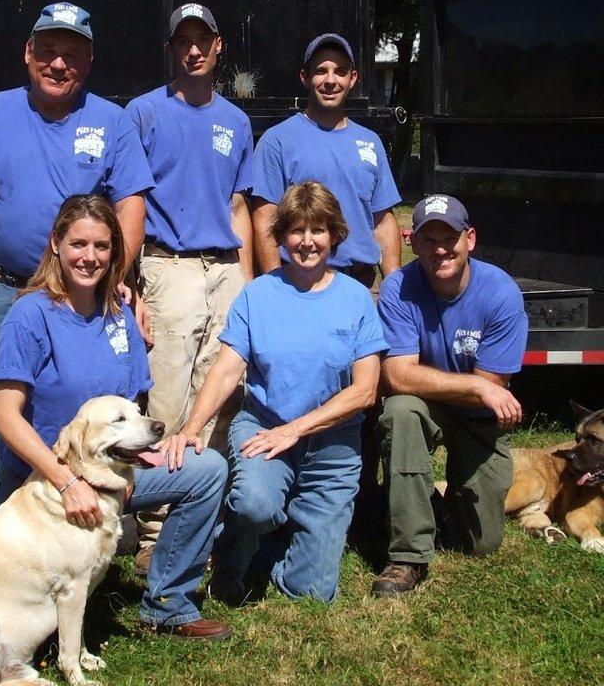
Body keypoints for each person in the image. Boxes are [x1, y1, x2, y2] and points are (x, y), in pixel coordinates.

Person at [0, 195, 230, 640]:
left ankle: (168, 606)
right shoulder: (29, 315)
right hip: (42, 482)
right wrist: (67, 482)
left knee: (207, 470)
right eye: (78, 244)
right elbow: (4, 417)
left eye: (102, 246)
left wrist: (138, 458)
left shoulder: (119, 314)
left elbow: (129, 406)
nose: (90, 257)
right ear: (56, 244)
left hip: (109, 474)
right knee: (16, 617)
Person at [0, 1, 153, 519]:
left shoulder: (113, 121)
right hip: (10, 295)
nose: (59, 64)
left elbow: (131, 207)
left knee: (83, 423)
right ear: (27, 53)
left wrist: (116, 280)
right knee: (2, 428)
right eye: (49, 51)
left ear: (89, 62)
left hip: (86, 301)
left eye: (72, 54)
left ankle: (83, 532)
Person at [163, 182, 388, 603]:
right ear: (282, 236)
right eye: (297, 230)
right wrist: (191, 427)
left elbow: (365, 392)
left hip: (333, 445)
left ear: (334, 235)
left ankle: (272, 544)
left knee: (313, 592)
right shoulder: (257, 295)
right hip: (265, 429)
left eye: (318, 230)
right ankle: (232, 555)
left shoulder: (357, 299)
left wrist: (296, 430)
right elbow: (226, 370)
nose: (307, 241)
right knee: (254, 503)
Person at [125, 3, 254, 574]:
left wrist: (248, 283)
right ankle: (155, 528)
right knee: (168, 398)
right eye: (184, 40)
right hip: (168, 266)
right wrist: (129, 280)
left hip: (225, 268)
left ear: (219, 45)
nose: (194, 49)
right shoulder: (143, 113)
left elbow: (238, 204)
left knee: (221, 395)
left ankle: (204, 520)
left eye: (204, 39)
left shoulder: (237, 122)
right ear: (172, 48)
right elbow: (127, 200)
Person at [371, 194, 528, 597]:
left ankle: (436, 505)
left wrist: (482, 388)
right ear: (411, 242)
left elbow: (493, 385)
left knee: (480, 542)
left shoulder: (501, 293)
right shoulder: (398, 287)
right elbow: (397, 377)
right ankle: (408, 555)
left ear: (469, 239)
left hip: (479, 419)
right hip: (429, 405)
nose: (440, 249)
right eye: (429, 239)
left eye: (449, 238)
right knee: (401, 412)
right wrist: (475, 385)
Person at [250, 32, 401, 289]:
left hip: (362, 285)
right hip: (300, 283)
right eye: (321, 71)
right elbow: (265, 219)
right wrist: (275, 289)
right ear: (305, 77)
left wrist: (393, 285)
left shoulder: (370, 142)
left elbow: (383, 220)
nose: (331, 81)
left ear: (353, 78)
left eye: (340, 71)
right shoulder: (277, 141)